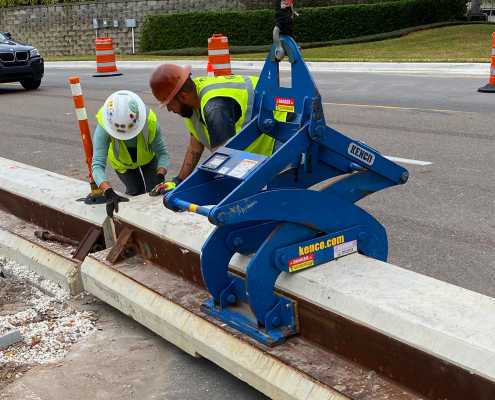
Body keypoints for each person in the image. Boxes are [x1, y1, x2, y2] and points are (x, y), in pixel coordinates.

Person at [148, 64, 279, 193]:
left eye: (169, 104)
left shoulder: (215, 108)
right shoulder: (192, 99)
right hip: (261, 152)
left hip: (281, 135)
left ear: (182, 97)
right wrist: (178, 181)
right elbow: (195, 148)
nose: (169, 109)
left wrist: (192, 191)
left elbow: (224, 159)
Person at [91, 90, 170, 217]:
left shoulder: (149, 121)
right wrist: (108, 191)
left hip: (148, 159)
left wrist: (160, 175)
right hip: (122, 164)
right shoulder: (104, 125)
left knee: (155, 195)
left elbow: (163, 154)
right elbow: (97, 164)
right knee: (135, 192)